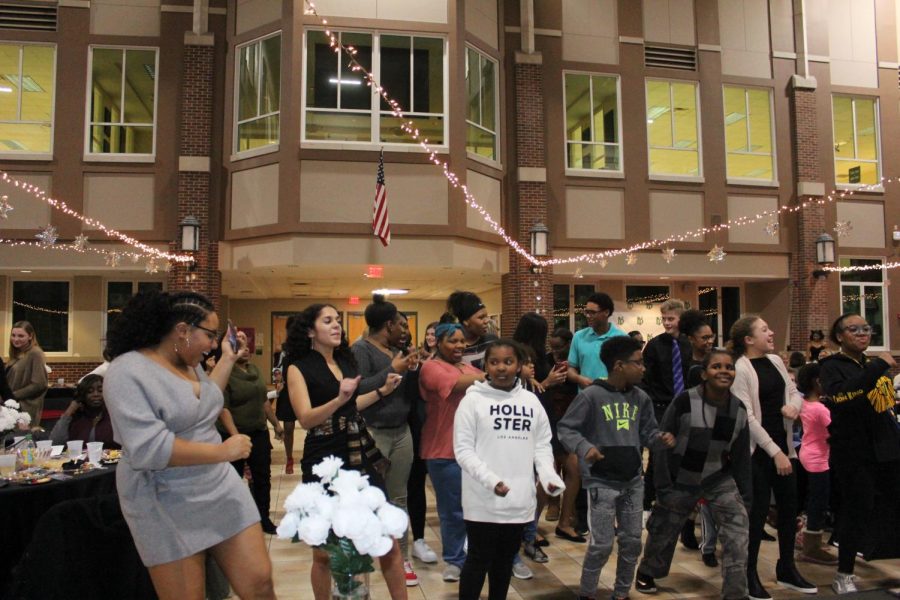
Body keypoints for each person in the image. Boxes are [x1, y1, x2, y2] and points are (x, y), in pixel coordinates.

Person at [103, 291, 275, 600]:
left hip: (217, 484)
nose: (212, 344)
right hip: (163, 495)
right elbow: (149, 449)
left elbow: (206, 401)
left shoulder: (189, 363)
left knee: (260, 582)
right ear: (182, 330)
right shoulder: (127, 371)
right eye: (209, 335)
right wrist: (222, 451)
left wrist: (228, 357)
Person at [284, 303, 407, 599]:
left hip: (358, 453)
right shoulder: (298, 366)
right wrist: (339, 400)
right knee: (324, 550)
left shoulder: (346, 360)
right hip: (323, 457)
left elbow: (351, 406)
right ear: (311, 330)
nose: (337, 325)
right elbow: (306, 418)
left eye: (338, 320)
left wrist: (381, 392)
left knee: (387, 540)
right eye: (328, 321)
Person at [558, 336, 675, 600]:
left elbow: (647, 432)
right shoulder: (591, 396)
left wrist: (660, 440)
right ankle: (587, 593)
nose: (643, 368)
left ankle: (621, 593)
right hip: (601, 483)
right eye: (639, 362)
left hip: (633, 481)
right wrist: (585, 447)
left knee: (632, 542)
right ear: (619, 365)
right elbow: (566, 428)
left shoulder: (641, 398)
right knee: (601, 544)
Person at [635, 349, 752, 600]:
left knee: (738, 533)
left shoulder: (738, 409)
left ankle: (735, 592)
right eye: (716, 367)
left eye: (729, 367)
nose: (723, 371)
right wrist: (663, 486)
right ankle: (648, 572)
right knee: (664, 529)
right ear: (704, 374)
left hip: (718, 478)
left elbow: (741, 456)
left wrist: (745, 494)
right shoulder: (684, 401)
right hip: (681, 478)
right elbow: (661, 444)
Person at [454, 339, 565, 600]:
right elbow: (463, 451)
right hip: (482, 500)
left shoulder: (531, 402)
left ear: (519, 366)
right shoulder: (472, 402)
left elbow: (541, 445)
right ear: (486, 366)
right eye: (494, 362)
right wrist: (492, 481)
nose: (501, 368)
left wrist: (548, 476)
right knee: (477, 561)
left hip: (518, 500)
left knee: (504, 563)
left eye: (508, 362)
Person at [729, 315, 814, 600]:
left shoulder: (776, 361)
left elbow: (794, 391)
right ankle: (749, 573)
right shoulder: (741, 369)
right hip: (759, 453)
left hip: (785, 449)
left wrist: (793, 406)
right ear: (748, 340)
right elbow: (747, 417)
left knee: (789, 511)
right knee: (756, 515)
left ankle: (786, 567)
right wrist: (774, 451)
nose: (771, 332)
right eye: (764, 329)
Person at [819, 313, 900, 594]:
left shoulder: (871, 365)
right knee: (856, 510)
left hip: (886, 448)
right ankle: (845, 573)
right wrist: (878, 367)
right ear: (840, 336)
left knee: (893, 509)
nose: (863, 333)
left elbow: (884, 406)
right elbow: (842, 398)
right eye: (854, 329)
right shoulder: (831, 367)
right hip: (854, 451)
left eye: (866, 328)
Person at [351, 295, 420, 586]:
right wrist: (393, 369)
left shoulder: (398, 350)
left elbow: (409, 391)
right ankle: (365, 554)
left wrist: (413, 369)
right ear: (387, 324)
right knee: (371, 498)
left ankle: (400, 556)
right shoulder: (361, 349)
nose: (403, 330)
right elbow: (358, 388)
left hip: (401, 431)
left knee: (399, 497)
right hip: (374, 431)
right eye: (399, 324)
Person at [419, 320, 486, 583]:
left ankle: (475, 556)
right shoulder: (431, 367)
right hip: (442, 448)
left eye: (462, 341)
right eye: (452, 341)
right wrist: (493, 375)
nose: (459, 346)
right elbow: (457, 384)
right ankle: (455, 560)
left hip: (474, 449)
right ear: (439, 343)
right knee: (452, 510)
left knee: (477, 507)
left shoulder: (469, 367)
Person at [217, 329, 284, 535]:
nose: (244, 347)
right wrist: (236, 436)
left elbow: (263, 400)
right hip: (233, 436)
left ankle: (263, 518)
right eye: (237, 343)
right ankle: (237, 523)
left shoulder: (255, 369)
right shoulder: (225, 373)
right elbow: (223, 408)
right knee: (234, 480)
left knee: (262, 478)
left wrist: (275, 423)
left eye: (245, 342)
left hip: (258, 432)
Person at [640, 300, 691, 517]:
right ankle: (649, 499)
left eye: (671, 319)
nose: (667, 323)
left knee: (684, 451)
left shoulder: (689, 344)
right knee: (658, 453)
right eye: (664, 319)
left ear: (681, 319)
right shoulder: (654, 346)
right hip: (660, 405)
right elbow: (646, 377)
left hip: (685, 405)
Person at [675, 308, 718, 559]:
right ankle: (688, 523)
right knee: (691, 482)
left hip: (714, 427)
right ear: (692, 338)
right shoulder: (684, 362)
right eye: (704, 337)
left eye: (711, 336)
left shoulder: (716, 360)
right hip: (691, 428)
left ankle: (707, 535)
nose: (709, 341)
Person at [795, 362, 837, 565]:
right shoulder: (820, 409)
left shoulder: (804, 403)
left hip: (807, 452)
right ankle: (811, 546)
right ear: (817, 382)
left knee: (812, 499)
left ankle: (807, 537)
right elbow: (836, 430)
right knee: (819, 502)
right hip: (818, 459)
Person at [405, 321, 440, 566]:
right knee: (413, 485)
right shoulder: (415, 367)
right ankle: (415, 539)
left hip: (441, 433)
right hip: (415, 431)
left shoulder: (452, 367)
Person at [545, 327, 584, 543]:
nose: (556, 351)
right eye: (553, 347)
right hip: (550, 417)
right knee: (551, 466)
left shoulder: (575, 363)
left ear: (569, 344)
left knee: (573, 467)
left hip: (572, 417)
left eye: (560, 347)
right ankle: (553, 503)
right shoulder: (545, 360)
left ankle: (567, 515)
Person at [567, 292, 628, 389]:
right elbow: (571, 368)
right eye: (586, 312)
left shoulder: (622, 338)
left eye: (593, 312)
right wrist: (578, 378)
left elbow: (628, 369)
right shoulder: (579, 337)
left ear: (606, 312)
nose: (588, 316)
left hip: (614, 396)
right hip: (587, 396)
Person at [49, 374, 120, 449]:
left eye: (100, 391)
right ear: (83, 395)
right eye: (90, 391)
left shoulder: (114, 415)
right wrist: (68, 412)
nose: (96, 394)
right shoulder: (76, 417)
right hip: (78, 459)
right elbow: (55, 443)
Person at [6, 321, 48, 426]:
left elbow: (39, 384)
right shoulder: (17, 354)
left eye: (21, 336)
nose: (16, 339)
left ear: (30, 336)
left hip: (24, 409)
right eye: (13, 335)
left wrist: (12, 396)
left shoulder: (35, 353)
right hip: (11, 407)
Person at [447, 291, 497, 370]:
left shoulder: (492, 341)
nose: (487, 320)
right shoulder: (455, 348)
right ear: (466, 322)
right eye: (481, 317)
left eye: (486, 316)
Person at [275, 315, 298, 474]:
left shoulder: (310, 347)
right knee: (288, 427)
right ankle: (289, 457)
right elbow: (277, 369)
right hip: (288, 391)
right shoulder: (284, 350)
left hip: (308, 389)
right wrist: (278, 379)